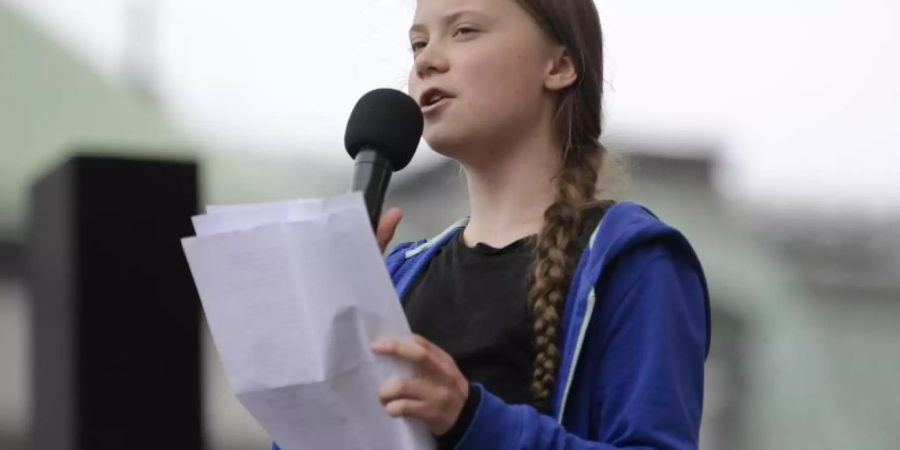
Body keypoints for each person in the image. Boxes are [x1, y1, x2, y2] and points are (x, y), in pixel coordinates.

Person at [276, 0, 710, 448]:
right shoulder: (398, 277)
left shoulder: (633, 261)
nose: (427, 60)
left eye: (464, 31)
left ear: (559, 66)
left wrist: (469, 419)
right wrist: (322, 332)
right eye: (418, 44)